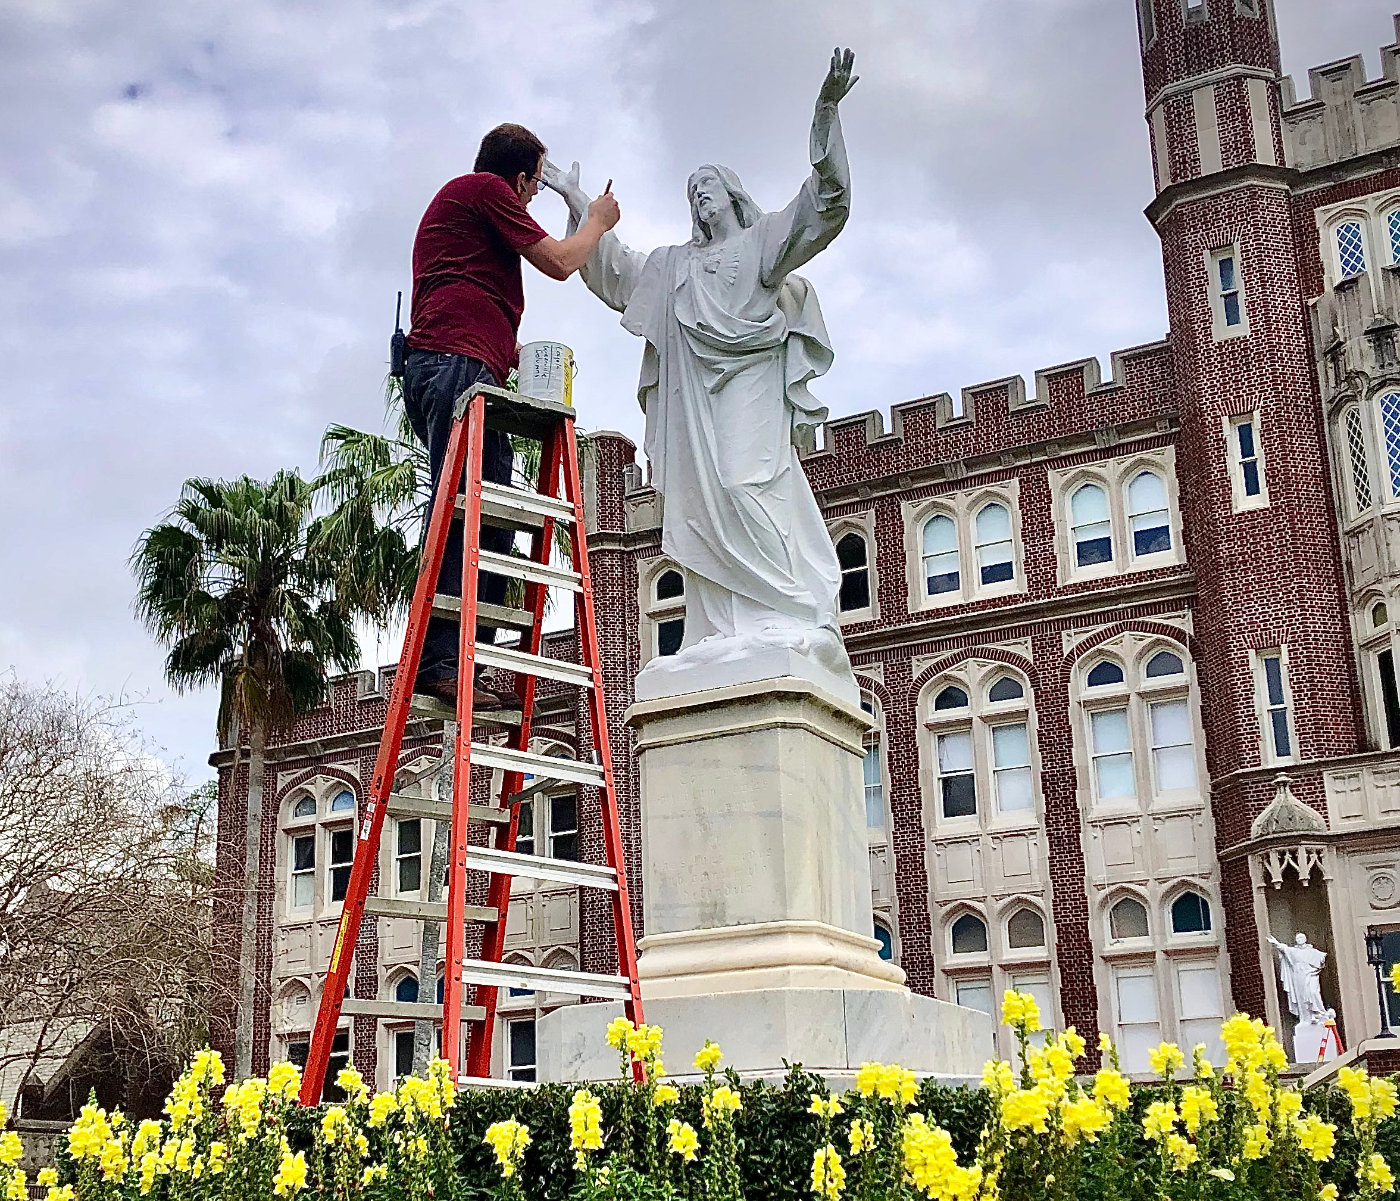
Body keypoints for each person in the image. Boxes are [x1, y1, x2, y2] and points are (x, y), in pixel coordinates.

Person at [543, 50, 858, 689]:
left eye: (708, 185)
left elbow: (823, 208)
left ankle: (786, 610)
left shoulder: (761, 242)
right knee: (693, 509)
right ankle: (718, 631)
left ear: (733, 193)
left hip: (748, 384)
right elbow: (615, 273)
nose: (699, 195)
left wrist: (825, 116)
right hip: (693, 407)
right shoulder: (674, 266)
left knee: (745, 486)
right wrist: (579, 206)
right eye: (692, 192)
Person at [404, 123, 620, 708]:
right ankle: (442, 661)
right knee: (465, 509)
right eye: (533, 191)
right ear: (520, 179)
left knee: (492, 512)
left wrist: (506, 349)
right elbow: (557, 261)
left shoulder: (466, 207)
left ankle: (468, 660)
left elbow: (465, 282)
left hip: (459, 364)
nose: (528, 205)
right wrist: (597, 220)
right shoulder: (485, 190)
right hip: (456, 365)